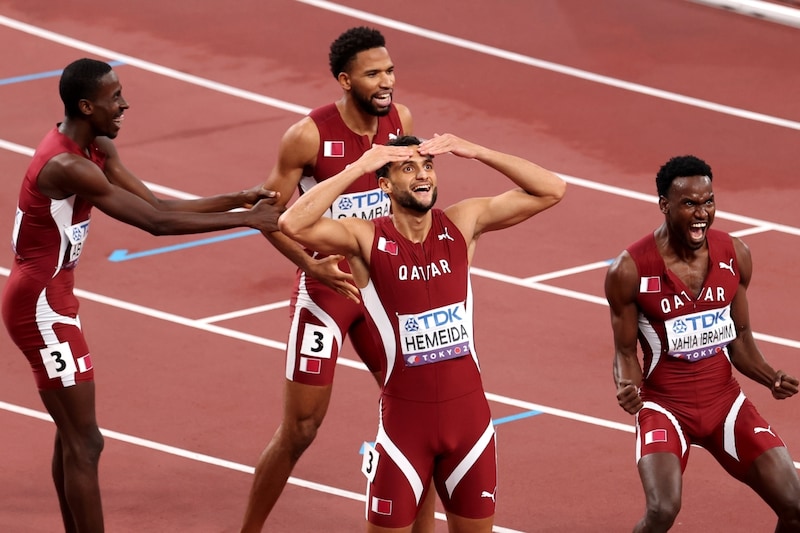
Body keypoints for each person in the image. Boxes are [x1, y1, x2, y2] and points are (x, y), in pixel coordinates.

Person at [0, 58, 282, 533]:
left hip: (54, 295)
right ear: (86, 106)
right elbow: (155, 224)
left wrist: (240, 197)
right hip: (40, 305)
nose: (125, 104)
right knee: (86, 443)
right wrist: (246, 221)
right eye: (114, 98)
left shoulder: (97, 147)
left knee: (72, 438)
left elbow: (156, 202)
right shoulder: (69, 165)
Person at [278, 134, 566, 531]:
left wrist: (478, 149)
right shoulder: (365, 238)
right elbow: (292, 222)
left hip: (471, 427)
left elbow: (553, 189)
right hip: (403, 431)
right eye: (408, 168)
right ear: (385, 184)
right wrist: (359, 166)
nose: (422, 175)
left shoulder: (463, 223)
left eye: (427, 166)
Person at [239, 26, 440, 532]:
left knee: (425, 418)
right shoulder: (307, 135)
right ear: (346, 80)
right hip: (327, 293)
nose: (387, 81)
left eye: (390, 70)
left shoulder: (401, 122)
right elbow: (265, 214)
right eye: (374, 73)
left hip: (382, 294)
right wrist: (307, 263)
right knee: (301, 429)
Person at [604, 155, 800, 532]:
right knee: (663, 510)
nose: (702, 213)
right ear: (664, 205)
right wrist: (626, 386)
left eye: (708, 201)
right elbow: (626, 352)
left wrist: (770, 376)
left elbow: (740, 339)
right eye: (689, 203)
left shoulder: (735, 254)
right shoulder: (629, 270)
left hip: (725, 403)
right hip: (665, 407)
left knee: (795, 504)